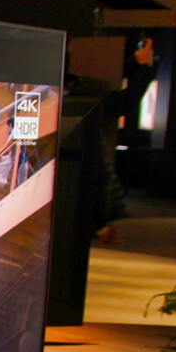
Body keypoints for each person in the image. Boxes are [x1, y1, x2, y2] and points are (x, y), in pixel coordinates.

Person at [64, 37, 155, 245]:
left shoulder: (61, 91)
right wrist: (145, 67)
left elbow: (124, 102)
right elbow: (125, 101)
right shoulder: (77, 92)